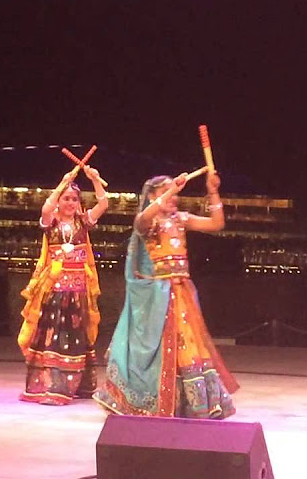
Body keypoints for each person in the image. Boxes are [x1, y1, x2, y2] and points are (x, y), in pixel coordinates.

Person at [95, 170, 237, 418]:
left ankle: (194, 404)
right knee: (157, 348)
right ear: (151, 195)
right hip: (156, 297)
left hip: (182, 294)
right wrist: (173, 188)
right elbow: (141, 220)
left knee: (189, 346)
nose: (174, 198)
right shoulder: (147, 222)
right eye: (166, 193)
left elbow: (216, 224)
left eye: (175, 194)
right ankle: (153, 401)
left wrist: (212, 190)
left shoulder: (180, 219)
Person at [17, 164, 107, 404]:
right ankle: (50, 387)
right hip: (55, 289)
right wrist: (63, 182)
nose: (70, 203)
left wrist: (95, 180)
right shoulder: (51, 222)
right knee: (52, 337)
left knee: (76, 337)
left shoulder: (82, 222)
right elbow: (46, 206)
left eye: (74, 199)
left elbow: (104, 205)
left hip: (77, 290)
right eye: (66, 198)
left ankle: (74, 386)